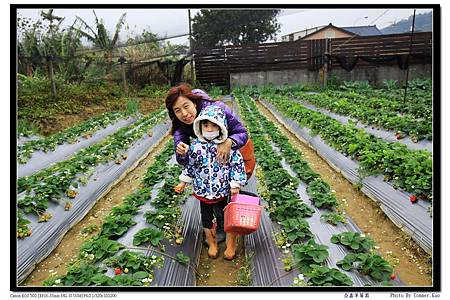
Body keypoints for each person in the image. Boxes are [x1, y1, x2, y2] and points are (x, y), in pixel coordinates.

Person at [165, 83, 255, 244]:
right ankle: (219, 224)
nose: (184, 114)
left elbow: (242, 132)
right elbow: (184, 160)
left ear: (194, 102)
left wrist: (229, 142)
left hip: (236, 148)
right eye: (177, 110)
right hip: (210, 156)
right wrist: (183, 153)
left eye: (186, 106)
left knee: (231, 187)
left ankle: (226, 225)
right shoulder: (181, 127)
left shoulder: (217, 109)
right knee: (215, 188)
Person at [174, 105, 247, 260]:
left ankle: (231, 243)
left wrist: (235, 185)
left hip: (223, 191)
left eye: (214, 125)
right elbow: (191, 166)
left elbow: (237, 164)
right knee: (206, 219)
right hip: (203, 192)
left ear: (221, 127)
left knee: (226, 217)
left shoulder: (227, 147)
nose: (209, 129)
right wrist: (183, 182)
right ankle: (212, 242)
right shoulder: (195, 147)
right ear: (200, 126)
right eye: (206, 125)